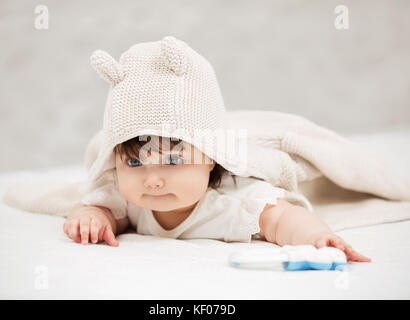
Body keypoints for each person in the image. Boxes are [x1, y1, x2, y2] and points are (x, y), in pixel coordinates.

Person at [63, 36, 370, 263]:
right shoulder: (128, 197)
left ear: (209, 157)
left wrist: (316, 237)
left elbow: (280, 219)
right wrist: (91, 216)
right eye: (133, 163)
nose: (152, 179)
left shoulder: (235, 200)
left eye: (172, 160)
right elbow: (103, 206)